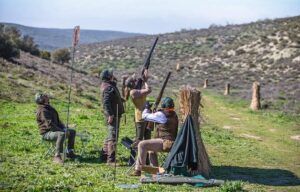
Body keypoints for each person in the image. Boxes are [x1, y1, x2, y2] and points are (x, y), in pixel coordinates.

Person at [132, 97, 178, 176]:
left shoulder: (161, 115)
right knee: (151, 150)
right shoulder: (174, 114)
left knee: (142, 144)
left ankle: (138, 170)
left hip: (165, 143)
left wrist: (147, 108)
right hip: (172, 143)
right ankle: (156, 171)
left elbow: (144, 116)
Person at [35, 93, 78, 164]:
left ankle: (70, 152)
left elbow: (58, 121)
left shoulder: (49, 108)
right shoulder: (42, 110)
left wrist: (64, 128)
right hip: (47, 133)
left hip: (55, 131)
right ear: (41, 99)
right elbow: (49, 124)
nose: (47, 96)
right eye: (44, 96)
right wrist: (62, 131)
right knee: (61, 134)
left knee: (72, 132)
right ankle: (57, 156)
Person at [100, 69, 125, 165]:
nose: (113, 76)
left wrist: (119, 100)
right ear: (108, 76)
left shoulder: (108, 85)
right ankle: (111, 160)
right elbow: (106, 102)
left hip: (114, 114)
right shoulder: (108, 87)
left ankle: (104, 156)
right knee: (112, 137)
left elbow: (111, 98)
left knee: (109, 136)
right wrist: (110, 114)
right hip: (113, 115)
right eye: (111, 75)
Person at [125, 70, 152, 145]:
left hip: (146, 116)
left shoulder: (136, 90)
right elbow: (148, 90)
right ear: (132, 83)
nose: (136, 81)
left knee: (147, 138)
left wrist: (144, 78)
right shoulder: (133, 92)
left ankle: (146, 156)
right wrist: (146, 81)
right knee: (139, 139)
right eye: (135, 80)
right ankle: (136, 155)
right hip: (140, 117)